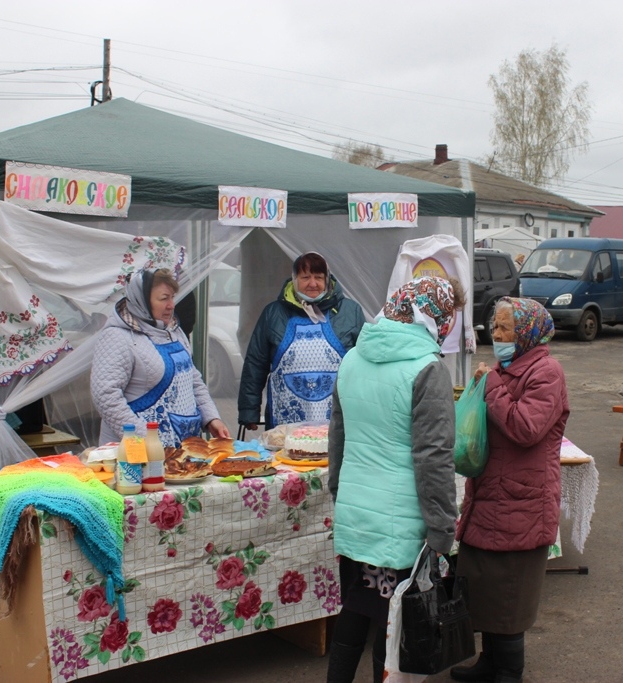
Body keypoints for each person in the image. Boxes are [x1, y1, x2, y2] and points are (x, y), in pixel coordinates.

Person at [326, 276, 462, 682]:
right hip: (401, 525)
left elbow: (339, 437)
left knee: (355, 609)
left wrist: (341, 493)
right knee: (393, 627)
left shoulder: (352, 357)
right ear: (434, 316)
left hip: (357, 515)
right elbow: (433, 458)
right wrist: (442, 531)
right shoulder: (427, 369)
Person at [451, 297, 569, 683]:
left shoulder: (546, 372)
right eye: (494, 326)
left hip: (522, 502)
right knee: (485, 590)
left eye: (504, 328)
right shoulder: (505, 368)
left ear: (528, 333)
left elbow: (525, 428)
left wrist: (491, 388)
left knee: (509, 599)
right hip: (490, 497)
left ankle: (509, 672)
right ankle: (490, 663)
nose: (495, 334)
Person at [91, 268, 230, 447]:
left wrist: (211, 418)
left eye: (172, 297)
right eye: (164, 298)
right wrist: (145, 439)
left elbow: (192, 380)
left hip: (182, 450)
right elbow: (106, 397)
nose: (172, 305)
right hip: (136, 454)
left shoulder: (174, 331)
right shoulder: (117, 337)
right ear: (141, 301)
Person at [238, 252, 365, 431]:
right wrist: (248, 411)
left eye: (318, 277)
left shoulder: (350, 311)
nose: (312, 283)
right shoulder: (273, 313)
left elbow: (365, 365)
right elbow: (255, 364)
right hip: (286, 421)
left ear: (327, 280)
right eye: (305, 277)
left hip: (337, 419)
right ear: (294, 280)